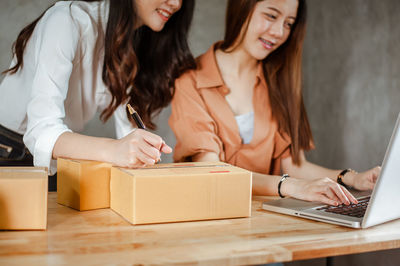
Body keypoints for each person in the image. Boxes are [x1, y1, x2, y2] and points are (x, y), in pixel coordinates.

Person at [169, 0, 381, 206]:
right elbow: (211, 169)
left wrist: (352, 179)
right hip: (205, 214)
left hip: (262, 222)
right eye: (271, 16)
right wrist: (289, 186)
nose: (279, 32)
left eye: (289, 23)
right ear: (243, 6)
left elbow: (295, 166)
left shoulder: (279, 83)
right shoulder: (190, 81)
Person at [0, 0, 196, 183]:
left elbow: (127, 130)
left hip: (60, 158)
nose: (176, 3)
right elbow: (41, 133)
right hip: (9, 151)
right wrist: (116, 149)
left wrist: (141, 154)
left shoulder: (132, 43)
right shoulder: (66, 20)